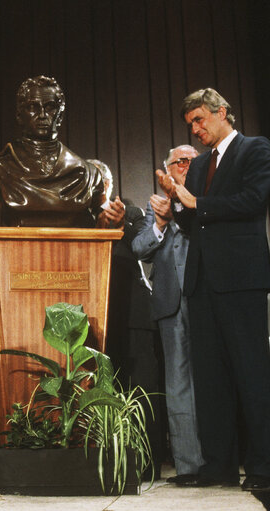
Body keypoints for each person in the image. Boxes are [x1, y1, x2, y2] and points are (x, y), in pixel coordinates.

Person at [160, 88, 270, 491]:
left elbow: (252, 200)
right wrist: (175, 205)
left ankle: (261, 468)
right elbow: (195, 225)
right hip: (202, 282)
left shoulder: (255, 149)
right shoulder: (198, 166)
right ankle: (219, 466)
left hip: (241, 280)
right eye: (190, 124)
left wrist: (197, 203)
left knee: (251, 374)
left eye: (199, 120)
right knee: (210, 380)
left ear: (222, 112)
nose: (195, 130)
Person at [88, 159, 166, 481]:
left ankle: (148, 466)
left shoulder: (131, 214)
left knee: (143, 391)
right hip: (93, 318)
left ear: (108, 184)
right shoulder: (75, 219)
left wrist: (119, 226)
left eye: (98, 180)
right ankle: (103, 466)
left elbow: (142, 247)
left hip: (133, 316)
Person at [132, 145, 205, 484]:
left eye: (192, 160)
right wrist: (161, 222)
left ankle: (221, 458)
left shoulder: (206, 197)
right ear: (168, 170)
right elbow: (139, 248)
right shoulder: (155, 205)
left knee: (213, 382)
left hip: (206, 300)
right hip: (170, 307)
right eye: (180, 161)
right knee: (178, 387)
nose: (186, 165)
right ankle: (189, 466)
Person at [0, 75, 124, 228]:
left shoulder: (89, 175)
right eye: (32, 107)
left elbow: (102, 229)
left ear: (60, 116)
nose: (42, 115)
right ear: (19, 115)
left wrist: (113, 220)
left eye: (49, 107)